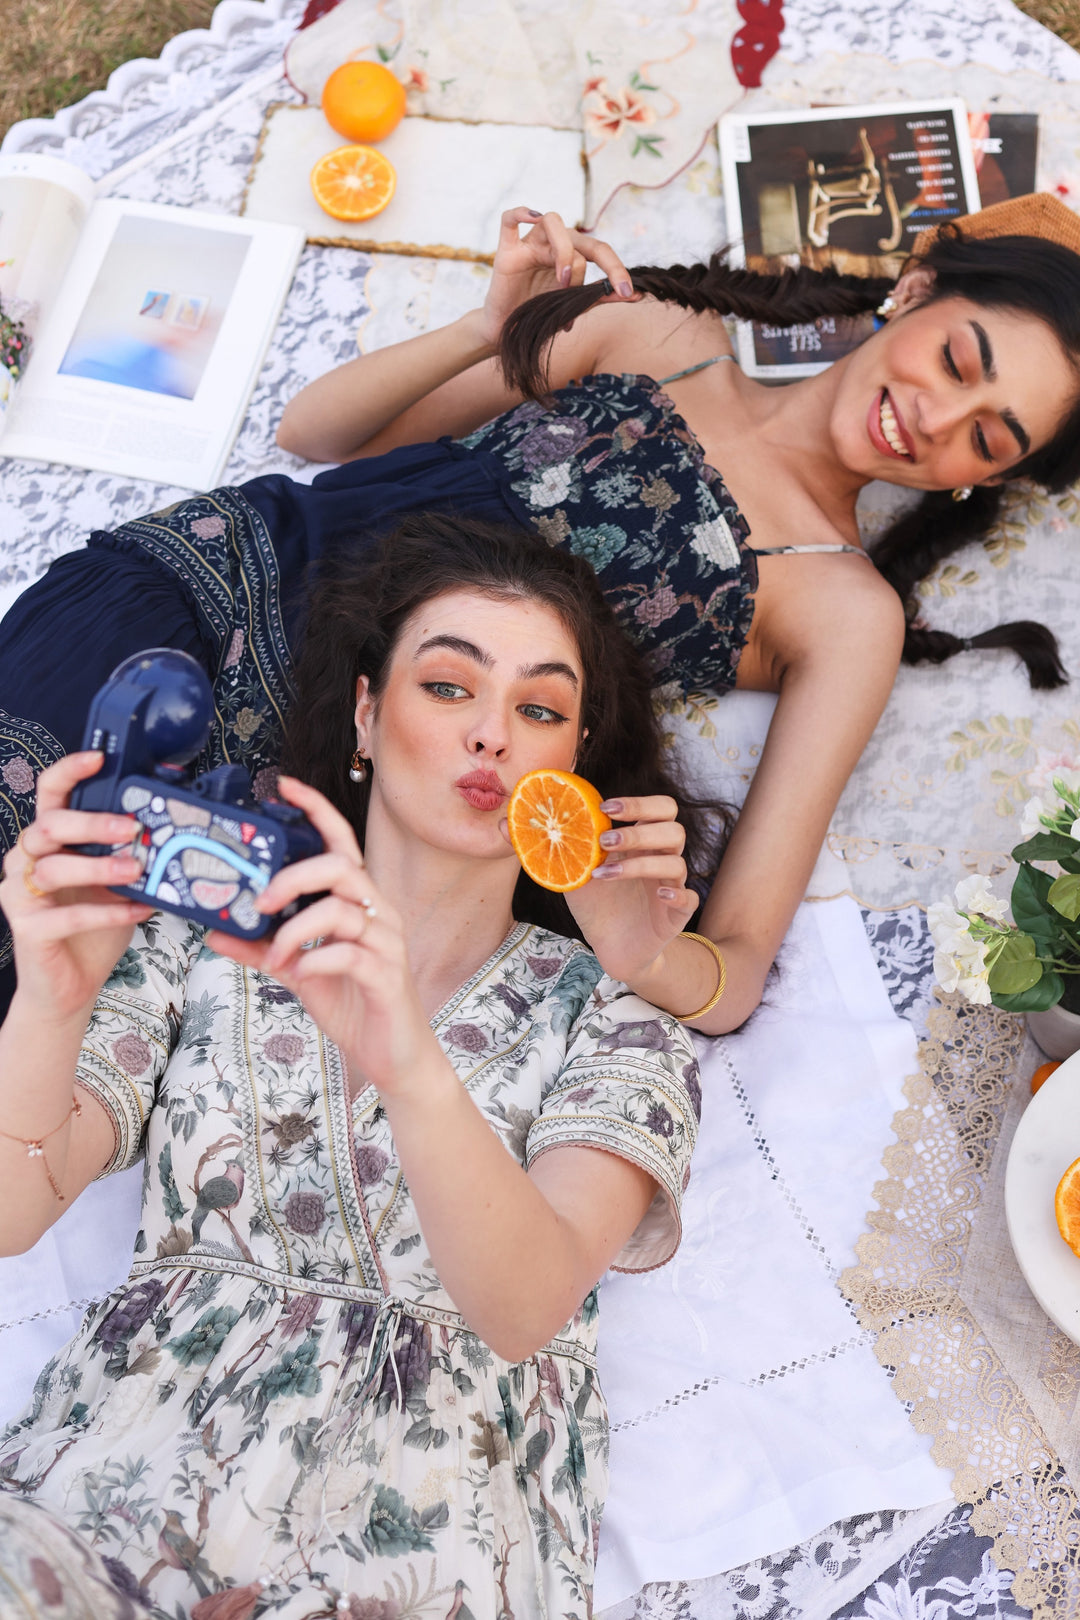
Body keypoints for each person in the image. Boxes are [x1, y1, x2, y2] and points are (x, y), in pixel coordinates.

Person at [2, 193, 1079, 1033]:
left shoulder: (845, 612)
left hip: (327, 770)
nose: (936, 418)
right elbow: (322, 436)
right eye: (957, 360)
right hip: (201, 590)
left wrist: (641, 945)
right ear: (915, 289)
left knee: (50, 974)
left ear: (987, 479)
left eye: (988, 438)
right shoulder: (655, 331)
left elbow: (737, 968)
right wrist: (486, 330)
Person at [0, 517, 703, 1619]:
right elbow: (12, 1208)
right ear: (368, 714)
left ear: (570, 764)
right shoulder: (201, 940)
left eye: (539, 710)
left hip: (419, 1544)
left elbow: (525, 1307)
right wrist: (52, 1000)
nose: (492, 736)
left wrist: (406, 1058)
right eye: (449, 687)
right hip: (109, 1499)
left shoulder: (613, 1016)